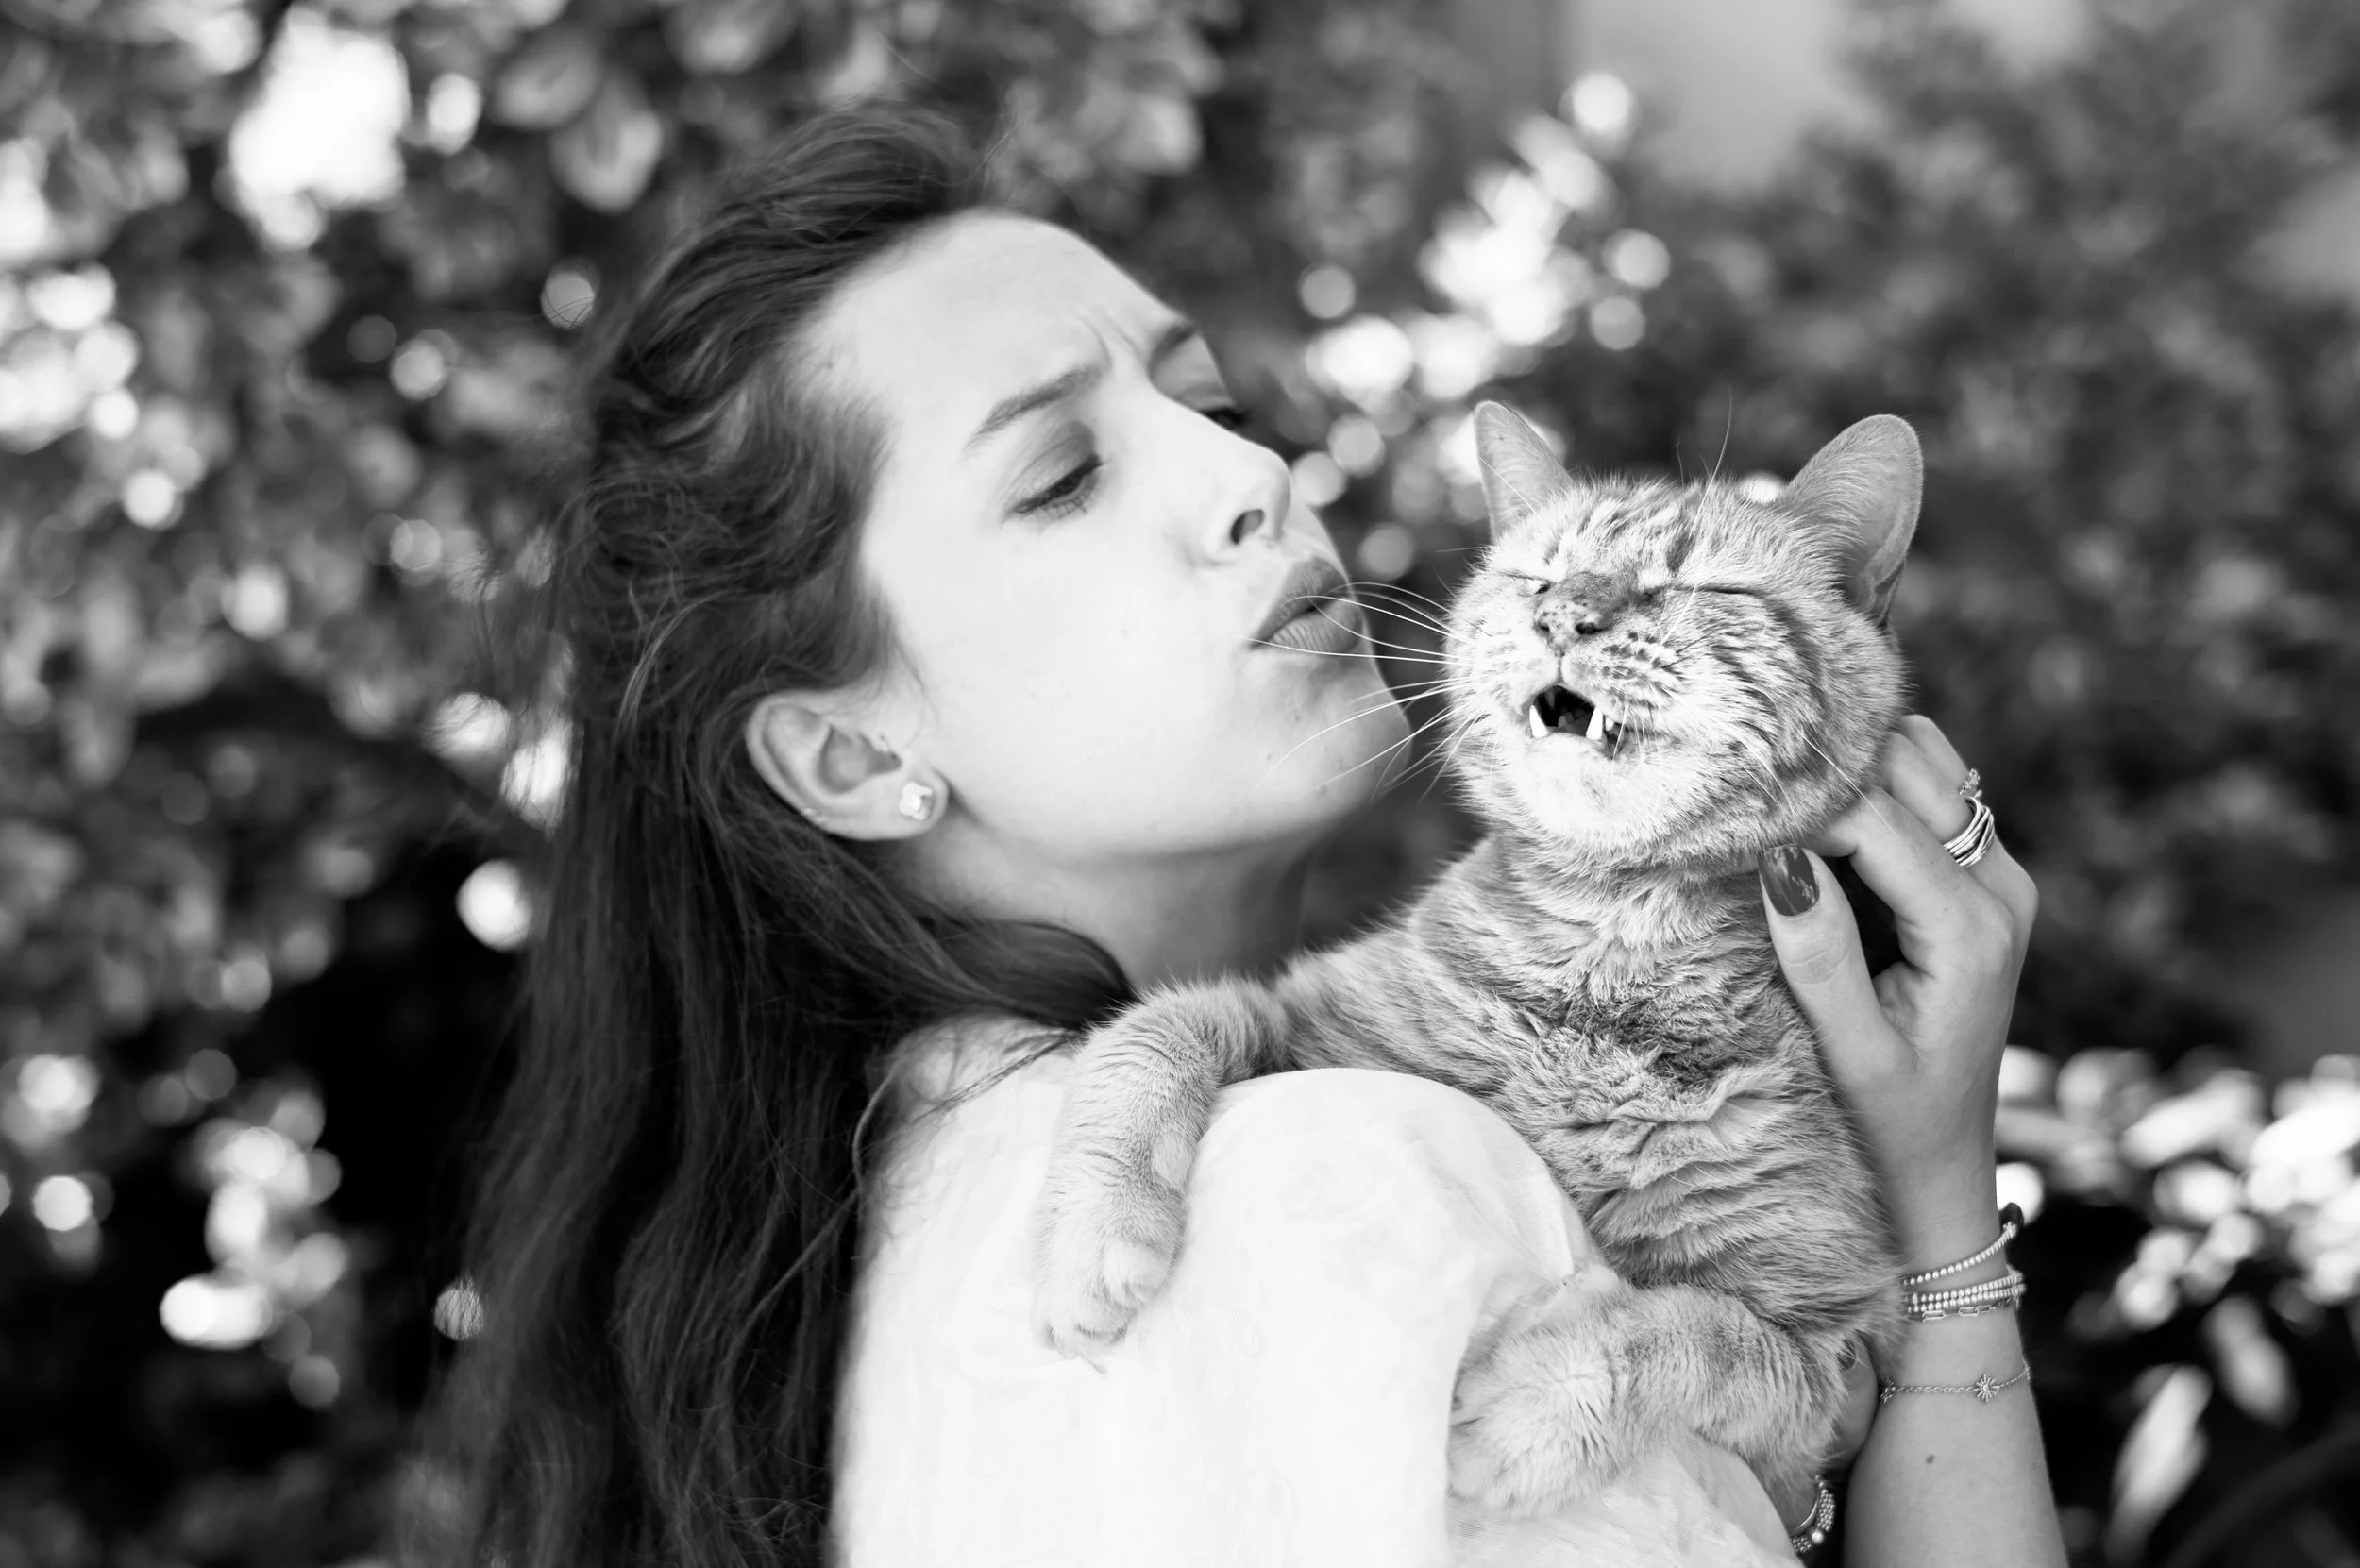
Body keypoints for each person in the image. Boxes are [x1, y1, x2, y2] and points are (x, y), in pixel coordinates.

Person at [436, 102, 2067, 1568]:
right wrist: (1929, 1261)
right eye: (1063, 473)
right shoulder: (1326, 1191)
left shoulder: (907, 1205)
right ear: (855, 754)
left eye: (1210, 400)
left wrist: (1923, 1219)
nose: (1252, 474)